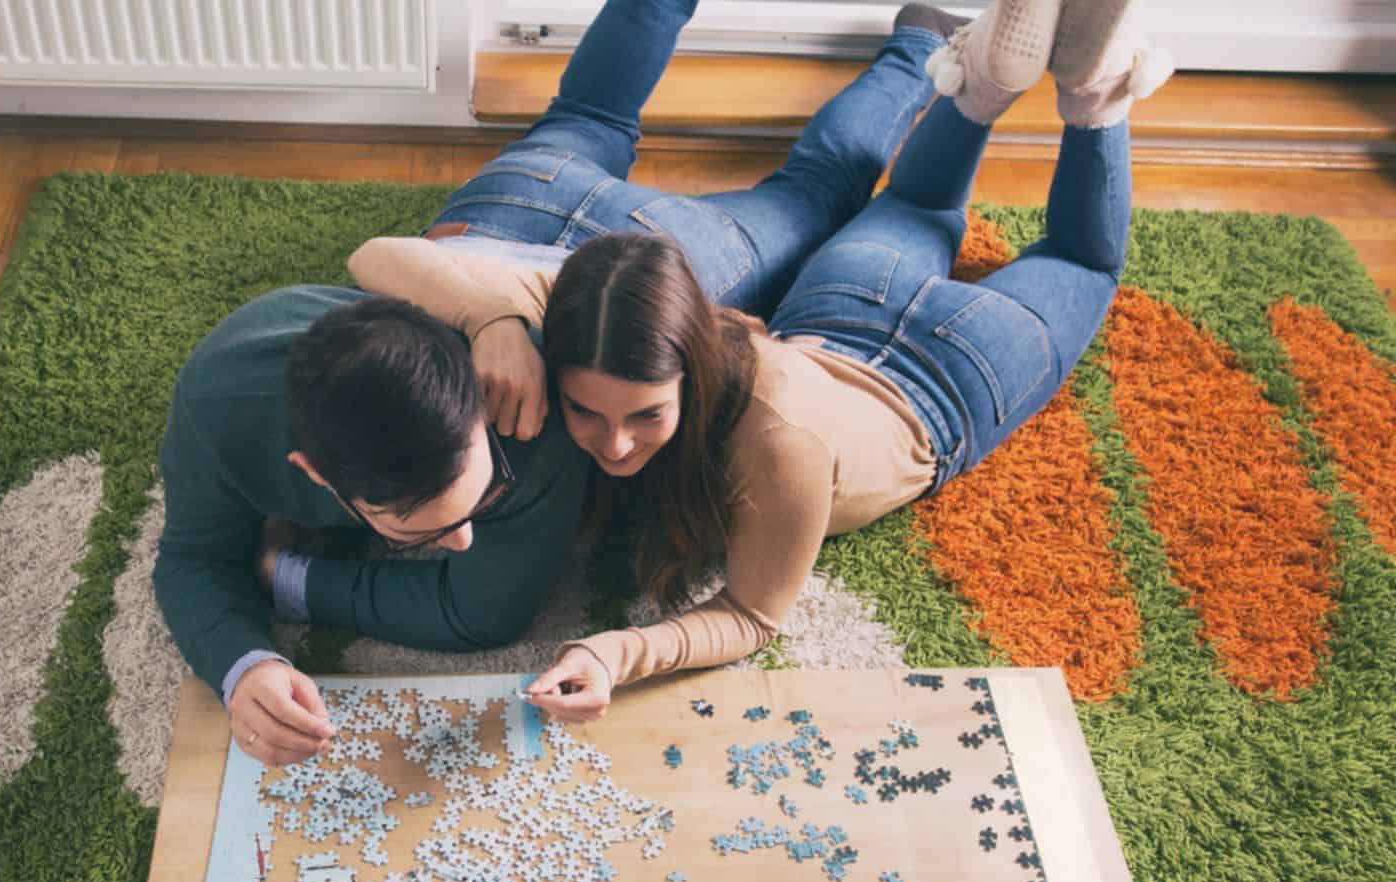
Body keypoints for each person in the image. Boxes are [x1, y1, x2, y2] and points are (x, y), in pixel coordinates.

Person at [357, 0, 1173, 721]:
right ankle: (987, 77)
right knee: (895, 204)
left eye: (645, 416)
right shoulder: (604, 311)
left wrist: (619, 652)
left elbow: (751, 616)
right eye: (587, 412)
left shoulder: (778, 446)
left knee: (1057, 253)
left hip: (944, 376)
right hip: (836, 314)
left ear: (694, 363)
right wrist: (495, 317)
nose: (612, 448)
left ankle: (1063, 91)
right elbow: (378, 256)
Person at [348, 0, 956, 443]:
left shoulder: (419, 422)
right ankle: (922, 46)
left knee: (815, 195)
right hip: (511, 206)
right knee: (591, 113)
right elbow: (378, 256)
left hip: (656, 253)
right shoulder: (376, 361)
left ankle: (922, 44)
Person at [154, 289, 590, 767]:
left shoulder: (538, 420)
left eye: (485, 493)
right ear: (317, 475)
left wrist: (285, 577)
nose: (465, 541)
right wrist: (244, 667)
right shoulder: (213, 411)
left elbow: (480, 613)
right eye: (423, 533)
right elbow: (191, 560)